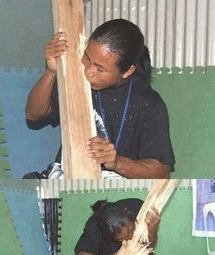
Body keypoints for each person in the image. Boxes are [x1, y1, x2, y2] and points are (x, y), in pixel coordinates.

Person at [26, 19, 175, 179]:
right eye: (86, 58)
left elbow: (161, 172)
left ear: (127, 71)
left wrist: (117, 162)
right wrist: (51, 71)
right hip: (67, 177)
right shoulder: (76, 78)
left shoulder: (148, 103)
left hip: (114, 186)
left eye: (100, 68)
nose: (88, 72)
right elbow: (34, 114)